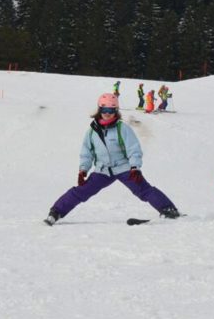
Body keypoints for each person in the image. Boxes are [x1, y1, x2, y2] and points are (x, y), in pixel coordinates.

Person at [43, 93, 181, 225]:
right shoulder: (92, 132)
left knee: (143, 189)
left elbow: (134, 149)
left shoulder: (122, 128)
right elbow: (87, 152)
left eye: (111, 110)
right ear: (99, 110)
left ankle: (168, 209)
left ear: (116, 111)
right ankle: (56, 212)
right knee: (81, 191)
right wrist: (83, 170)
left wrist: (135, 167)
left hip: (124, 168)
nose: (107, 113)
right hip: (102, 170)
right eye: (104, 109)